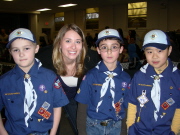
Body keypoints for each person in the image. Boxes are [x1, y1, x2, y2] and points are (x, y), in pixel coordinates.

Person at [0, 28, 69, 135]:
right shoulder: (4, 81)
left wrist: (53, 133)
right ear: (10, 52)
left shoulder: (50, 77)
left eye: (26, 48)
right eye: (16, 50)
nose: (21, 54)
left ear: (36, 48)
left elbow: (57, 106)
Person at [75, 29, 131, 135]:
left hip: (116, 127)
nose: (109, 51)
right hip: (93, 126)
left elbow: (126, 108)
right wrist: (82, 132)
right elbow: (82, 106)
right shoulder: (90, 76)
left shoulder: (126, 78)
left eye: (114, 47)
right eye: (104, 47)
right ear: (98, 50)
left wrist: (124, 131)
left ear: (121, 49)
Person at [127, 29, 180, 135]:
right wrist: (130, 128)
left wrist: (174, 131)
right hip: (139, 131)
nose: (154, 56)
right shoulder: (139, 76)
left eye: (160, 51)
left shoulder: (177, 77)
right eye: (149, 51)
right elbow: (132, 104)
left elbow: (178, 109)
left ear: (169, 50)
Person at [52, 23, 88, 135]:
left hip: (75, 98)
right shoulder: (45, 63)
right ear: (59, 44)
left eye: (78, 41)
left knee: (81, 128)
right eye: (68, 41)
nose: (73, 47)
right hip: (51, 99)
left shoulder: (90, 62)